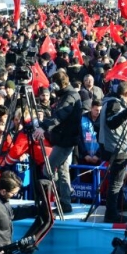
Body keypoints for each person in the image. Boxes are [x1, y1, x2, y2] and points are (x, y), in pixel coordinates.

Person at [35, 70, 82, 214]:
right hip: (64, 139)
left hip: (65, 140)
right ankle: (65, 202)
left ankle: (62, 195)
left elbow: (59, 116)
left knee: (47, 169)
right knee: (62, 172)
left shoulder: (69, 97)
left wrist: (43, 127)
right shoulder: (69, 95)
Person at [99, 79, 127, 223]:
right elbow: (112, 122)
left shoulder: (115, 102)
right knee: (115, 182)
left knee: (118, 179)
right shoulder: (114, 103)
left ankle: (120, 203)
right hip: (116, 147)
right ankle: (111, 214)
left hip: (116, 146)